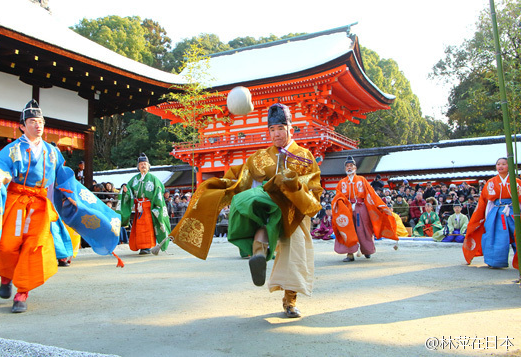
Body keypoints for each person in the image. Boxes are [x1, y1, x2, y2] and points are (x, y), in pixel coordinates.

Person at [165, 103, 323, 318]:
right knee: (254, 210)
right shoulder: (259, 157)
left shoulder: (304, 157)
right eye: (272, 129)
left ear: (290, 129)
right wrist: (220, 186)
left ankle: (289, 300)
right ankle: (258, 253)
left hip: (294, 209)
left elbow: (313, 187)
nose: (276, 134)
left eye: (280, 128)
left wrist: (292, 184)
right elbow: (239, 179)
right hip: (268, 205)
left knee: (293, 255)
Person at [0, 100, 121, 313]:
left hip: (39, 205)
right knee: (8, 244)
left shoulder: (51, 152)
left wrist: (71, 194)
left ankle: (23, 291)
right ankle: (6, 276)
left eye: (40, 121)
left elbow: (63, 176)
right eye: (32, 121)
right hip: (16, 202)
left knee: (35, 246)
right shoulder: (12, 150)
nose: (38, 125)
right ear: (22, 126)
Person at [331, 156, 398, 262]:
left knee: (364, 230)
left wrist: (380, 206)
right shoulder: (341, 182)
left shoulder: (362, 180)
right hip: (347, 209)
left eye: (351, 166)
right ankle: (350, 254)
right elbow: (338, 196)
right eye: (347, 166)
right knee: (347, 230)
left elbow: (371, 194)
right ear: (345, 169)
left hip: (361, 208)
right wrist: (344, 203)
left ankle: (367, 250)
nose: (349, 168)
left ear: (355, 168)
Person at [464, 158, 520, 269]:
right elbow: (483, 200)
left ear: (509, 166)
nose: (501, 166)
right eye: (498, 164)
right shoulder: (490, 183)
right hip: (496, 212)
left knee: (518, 234)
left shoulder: (517, 181)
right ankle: (495, 261)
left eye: (504, 164)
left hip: (514, 211)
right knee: (495, 235)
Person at [117, 153, 171, 255]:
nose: (143, 166)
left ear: (148, 166)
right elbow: (128, 189)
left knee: (148, 227)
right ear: (138, 167)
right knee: (139, 228)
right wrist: (125, 189)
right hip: (139, 208)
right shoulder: (134, 179)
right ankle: (141, 247)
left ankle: (147, 246)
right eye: (141, 164)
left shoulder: (153, 179)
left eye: (145, 164)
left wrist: (157, 206)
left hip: (149, 208)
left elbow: (160, 190)